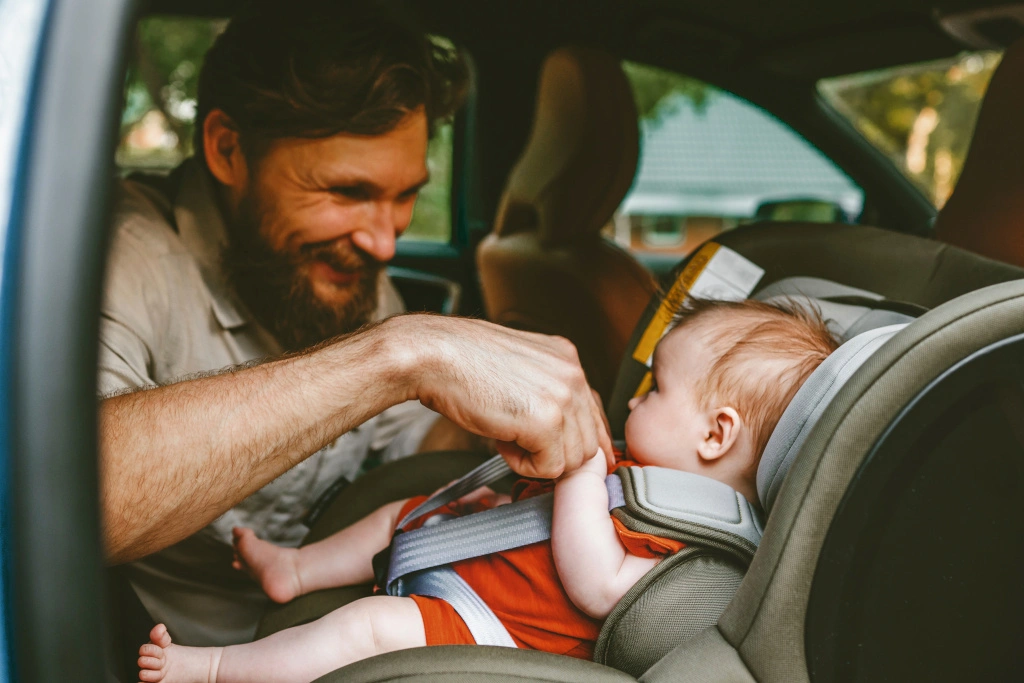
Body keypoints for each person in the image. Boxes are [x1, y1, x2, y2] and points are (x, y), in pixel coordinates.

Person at [101, 1, 610, 648]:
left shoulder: (333, 265)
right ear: (228, 150)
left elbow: (402, 448)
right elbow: (71, 497)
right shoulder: (124, 256)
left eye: (406, 196)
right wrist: (402, 354)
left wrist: (497, 420)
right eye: (347, 192)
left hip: (329, 621)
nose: (383, 243)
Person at [136, 298, 840, 682]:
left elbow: (596, 581)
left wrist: (576, 475)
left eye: (657, 387)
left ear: (716, 435)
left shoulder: (703, 544)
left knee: (360, 631)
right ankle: (296, 567)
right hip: (490, 563)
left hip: (493, 623)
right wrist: (508, 506)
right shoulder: (647, 471)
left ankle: (214, 668)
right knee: (399, 514)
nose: (633, 402)